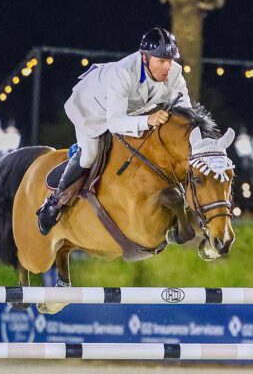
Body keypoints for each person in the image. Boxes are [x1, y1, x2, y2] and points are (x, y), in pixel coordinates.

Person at [36, 27, 192, 234]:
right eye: (161, 61)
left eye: (170, 60)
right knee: (89, 155)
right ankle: (54, 201)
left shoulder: (175, 74)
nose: (167, 67)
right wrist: (149, 120)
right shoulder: (124, 73)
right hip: (92, 108)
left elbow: (186, 113)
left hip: (130, 108)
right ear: (145, 58)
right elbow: (115, 123)